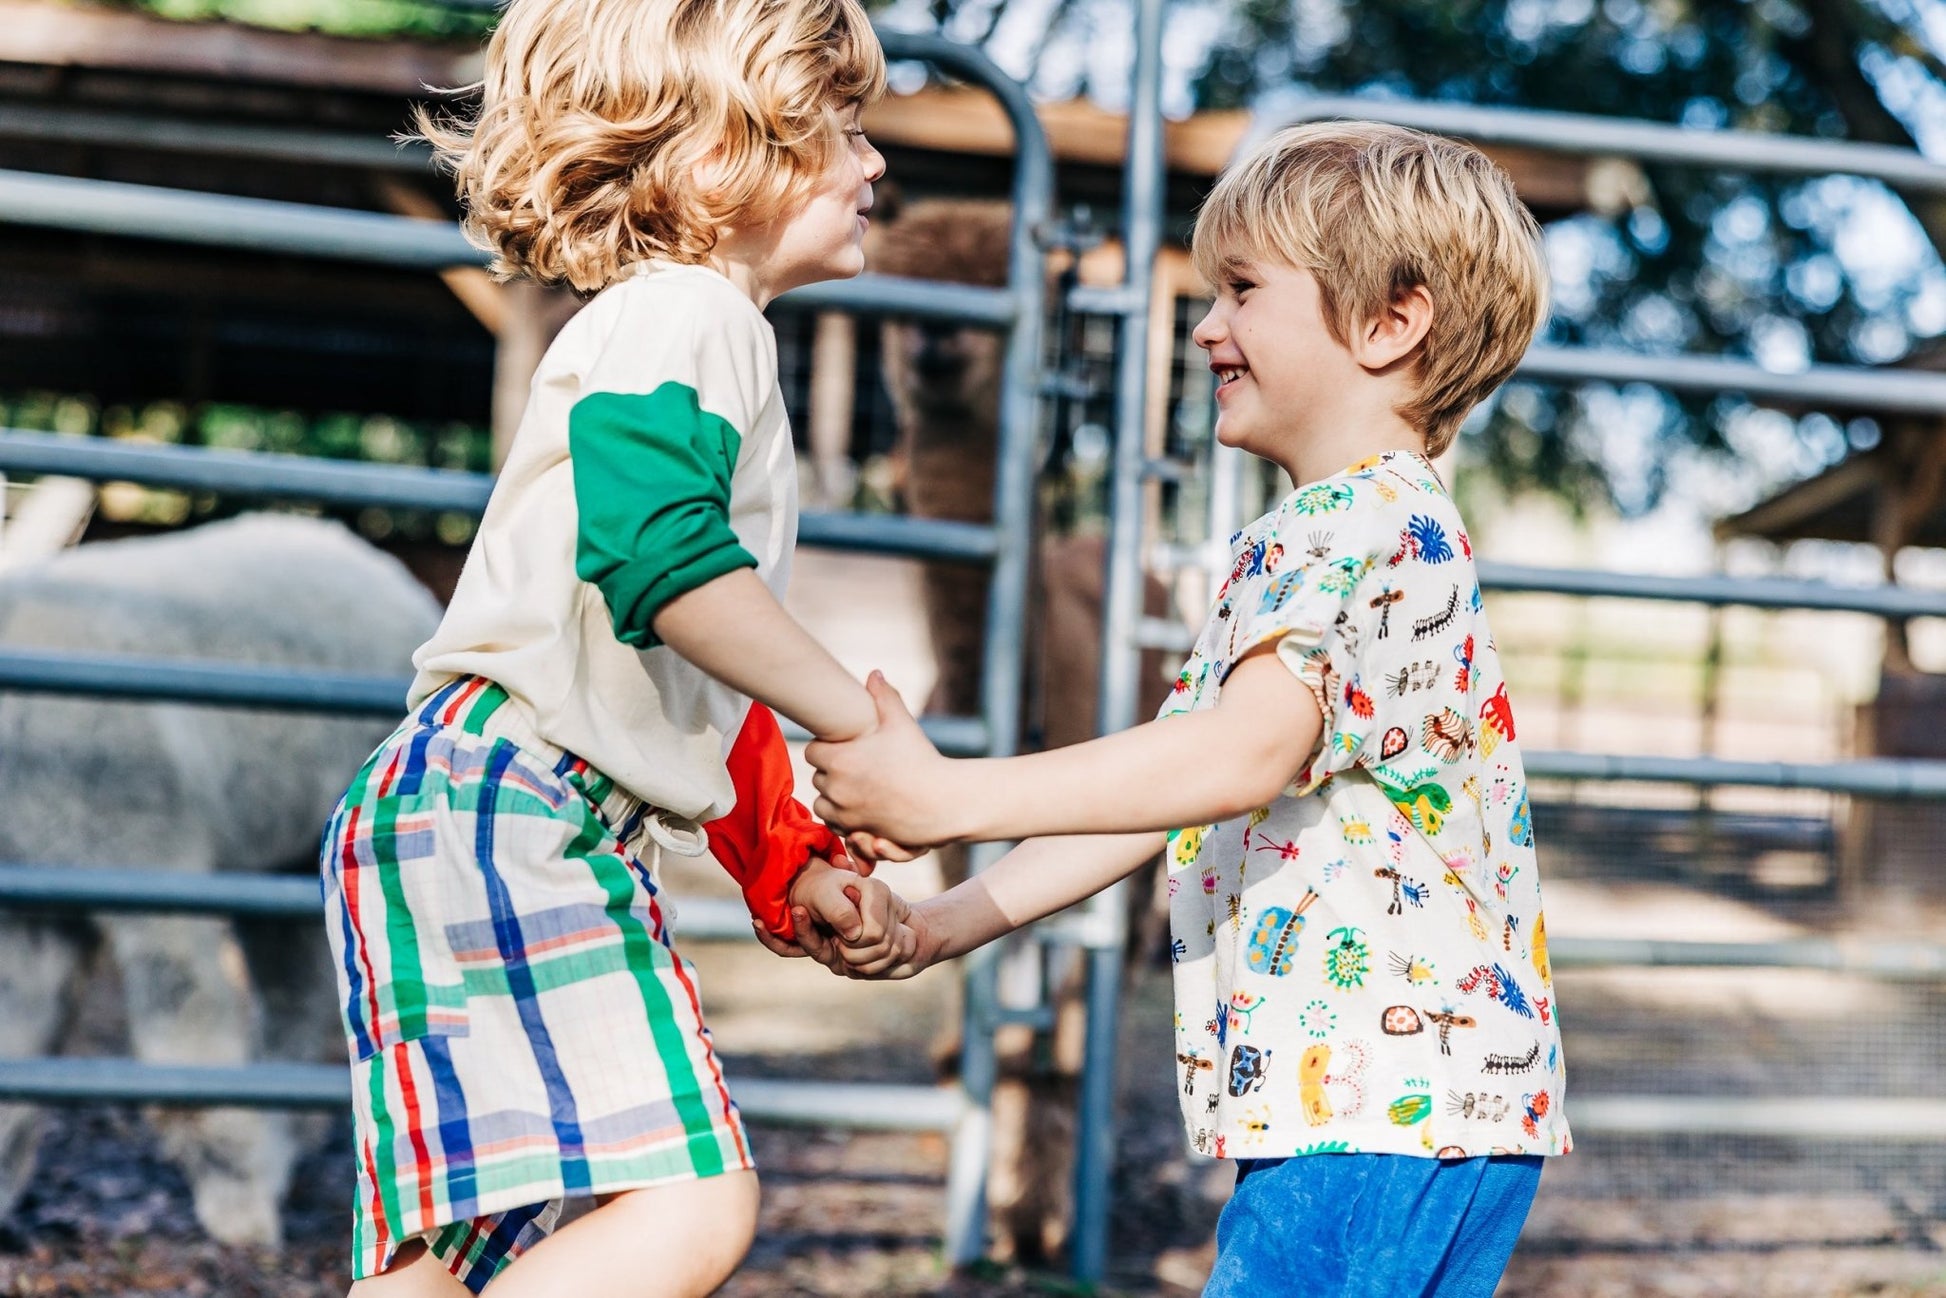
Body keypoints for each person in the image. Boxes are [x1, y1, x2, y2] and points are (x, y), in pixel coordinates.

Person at [801, 121, 1573, 1298]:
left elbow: (1234, 755)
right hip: (1414, 1112)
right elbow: (1173, 781)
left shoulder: (1347, 527)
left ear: (1387, 322)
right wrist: (949, 918)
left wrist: (947, 792)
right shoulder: (1348, 531)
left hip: (1376, 1112)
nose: (1205, 326)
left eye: (1241, 292)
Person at [317, 0, 917, 1291]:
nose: (875, 164)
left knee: (448, 1251)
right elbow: (659, 560)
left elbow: (700, 664)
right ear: (717, 162)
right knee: (693, 1209)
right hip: (523, 805)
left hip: (459, 798)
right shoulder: (692, 319)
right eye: (845, 128)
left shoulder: (682, 333)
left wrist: (787, 860)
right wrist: (856, 720)